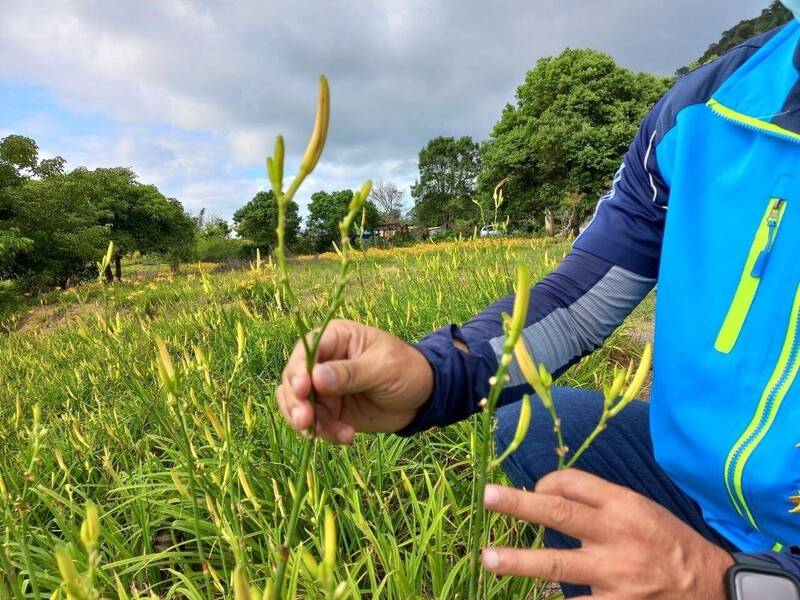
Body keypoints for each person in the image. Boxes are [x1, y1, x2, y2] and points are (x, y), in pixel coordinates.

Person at [278, 7, 800, 598]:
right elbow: (577, 302)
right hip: (711, 495)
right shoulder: (707, 107)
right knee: (530, 432)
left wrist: (726, 584)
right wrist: (433, 372)